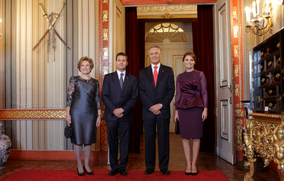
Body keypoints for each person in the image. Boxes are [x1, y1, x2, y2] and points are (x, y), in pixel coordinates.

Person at [139, 46, 175, 175]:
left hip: (163, 111)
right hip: (148, 112)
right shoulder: (143, 72)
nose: (154, 55)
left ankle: (164, 167)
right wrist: (151, 107)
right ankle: (149, 166)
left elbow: (171, 90)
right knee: (149, 140)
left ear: (160, 54)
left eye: (156, 53)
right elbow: (141, 92)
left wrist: (160, 105)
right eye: (151, 53)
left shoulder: (168, 70)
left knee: (164, 140)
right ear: (149, 56)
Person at [102, 52, 138, 176]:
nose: (121, 62)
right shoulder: (108, 77)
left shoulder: (132, 79)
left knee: (124, 141)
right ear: (116, 62)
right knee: (112, 141)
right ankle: (114, 166)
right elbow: (105, 96)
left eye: (123, 60)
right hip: (111, 115)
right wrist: (115, 110)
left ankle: (123, 166)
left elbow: (134, 97)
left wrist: (122, 109)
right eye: (119, 60)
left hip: (126, 115)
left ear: (127, 63)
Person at [66, 56, 101, 176]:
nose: (85, 67)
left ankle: (87, 164)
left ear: (91, 67)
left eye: (87, 65)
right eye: (83, 65)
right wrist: (67, 114)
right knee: (78, 140)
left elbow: (97, 99)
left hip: (91, 113)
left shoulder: (95, 82)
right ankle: (79, 165)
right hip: (76, 113)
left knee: (88, 140)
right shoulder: (74, 79)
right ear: (79, 67)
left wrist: (99, 115)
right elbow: (69, 98)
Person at [174, 51, 208, 176]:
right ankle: (188, 163)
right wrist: (176, 112)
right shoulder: (179, 77)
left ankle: (194, 163)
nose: (189, 62)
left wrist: (205, 108)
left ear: (195, 62)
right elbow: (178, 95)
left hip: (197, 108)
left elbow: (204, 92)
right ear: (183, 61)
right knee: (185, 137)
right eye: (187, 60)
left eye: (191, 60)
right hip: (183, 109)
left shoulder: (200, 74)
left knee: (196, 137)